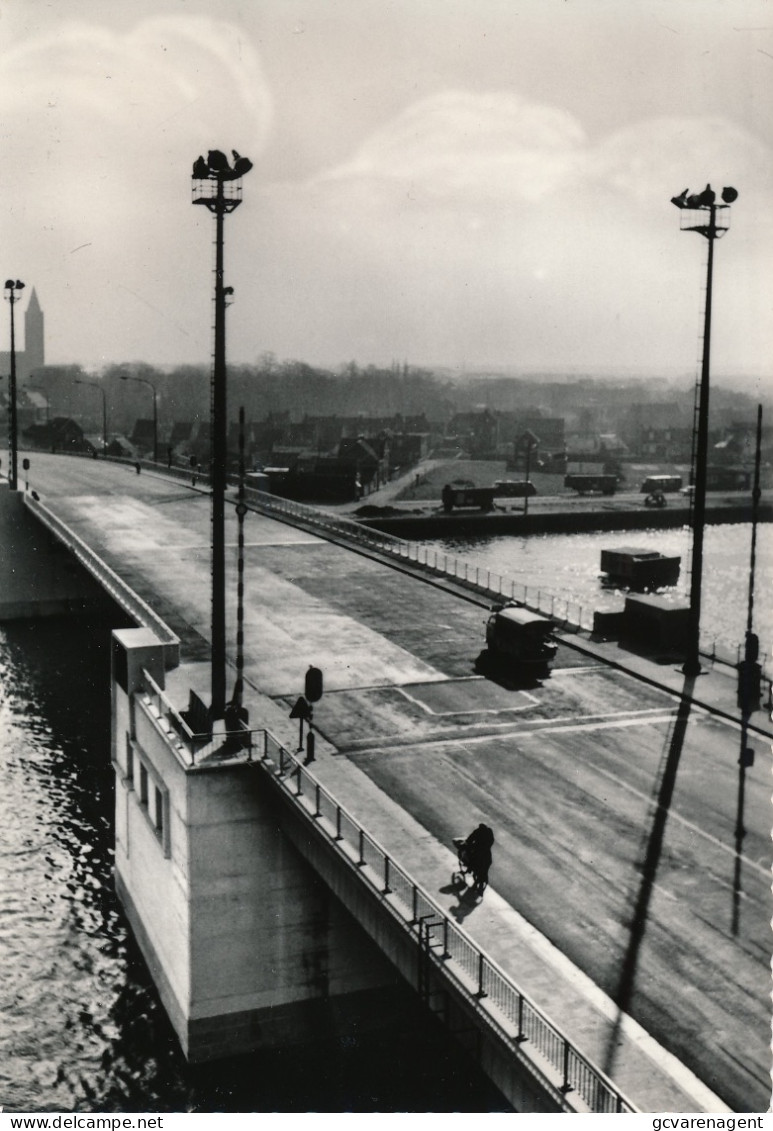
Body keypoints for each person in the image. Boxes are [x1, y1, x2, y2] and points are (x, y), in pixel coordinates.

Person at [463, 823, 494, 889]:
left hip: (478, 851)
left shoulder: (478, 831)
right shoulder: (489, 832)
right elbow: (491, 841)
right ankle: (480, 883)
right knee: (484, 869)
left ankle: (470, 869)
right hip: (487, 854)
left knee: (472, 860)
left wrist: (469, 843)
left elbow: (470, 838)